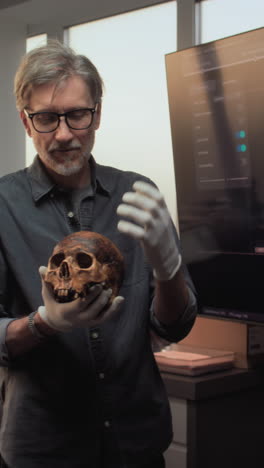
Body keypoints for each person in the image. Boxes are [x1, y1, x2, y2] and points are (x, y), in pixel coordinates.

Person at [0, 40, 197, 468]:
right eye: (47, 119)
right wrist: (44, 323)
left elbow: (175, 325)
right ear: (26, 122)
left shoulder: (138, 195)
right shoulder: (2, 206)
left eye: (77, 114)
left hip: (136, 446)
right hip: (44, 451)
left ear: (98, 115)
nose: (66, 133)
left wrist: (169, 271)